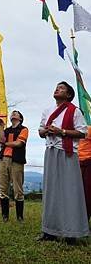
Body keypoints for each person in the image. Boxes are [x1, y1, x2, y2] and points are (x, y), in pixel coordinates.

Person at [38, 81, 89, 243]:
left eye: (61, 88)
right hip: (51, 152)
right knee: (51, 191)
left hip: (67, 153)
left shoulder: (75, 111)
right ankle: (50, 231)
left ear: (68, 94)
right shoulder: (47, 111)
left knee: (70, 192)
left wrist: (62, 132)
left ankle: (71, 232)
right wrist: (46, 131)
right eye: (56, 87)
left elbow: (82, 132)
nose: (57, 89)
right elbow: (40, 131)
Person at [0, 111, 28, 222]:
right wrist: (1, 127)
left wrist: (5, 144)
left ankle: (19, 217)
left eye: (16, 113)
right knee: (3, 187)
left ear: (20, 118)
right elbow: (1, 140)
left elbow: (19, 143)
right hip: (4, 159)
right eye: (12, 113)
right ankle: (5, 216)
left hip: (17, 160)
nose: (13, 114)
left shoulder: (24, 129)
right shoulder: (7, 130)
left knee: (17, 188)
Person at [78, 124, 91, 222]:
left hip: (88, 162)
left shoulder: (89, 129)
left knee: (87, 193)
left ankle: (85, 220)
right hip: (75, 163)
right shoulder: (69, 132)